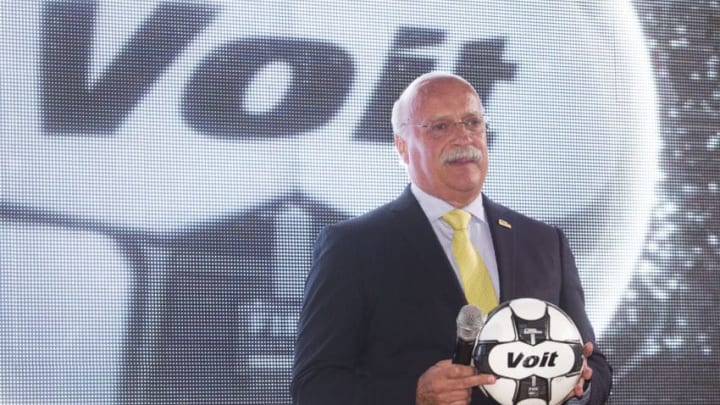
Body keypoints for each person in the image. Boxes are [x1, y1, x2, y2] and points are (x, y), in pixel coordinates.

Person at [291, 71, 612, 404]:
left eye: (472, 122)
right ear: (402, 147)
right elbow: (314, 387)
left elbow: (597, 367)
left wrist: (581, 384)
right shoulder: (353, 248)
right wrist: (413, 395)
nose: (463, 137)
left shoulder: (545, 242)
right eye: (440, 127)